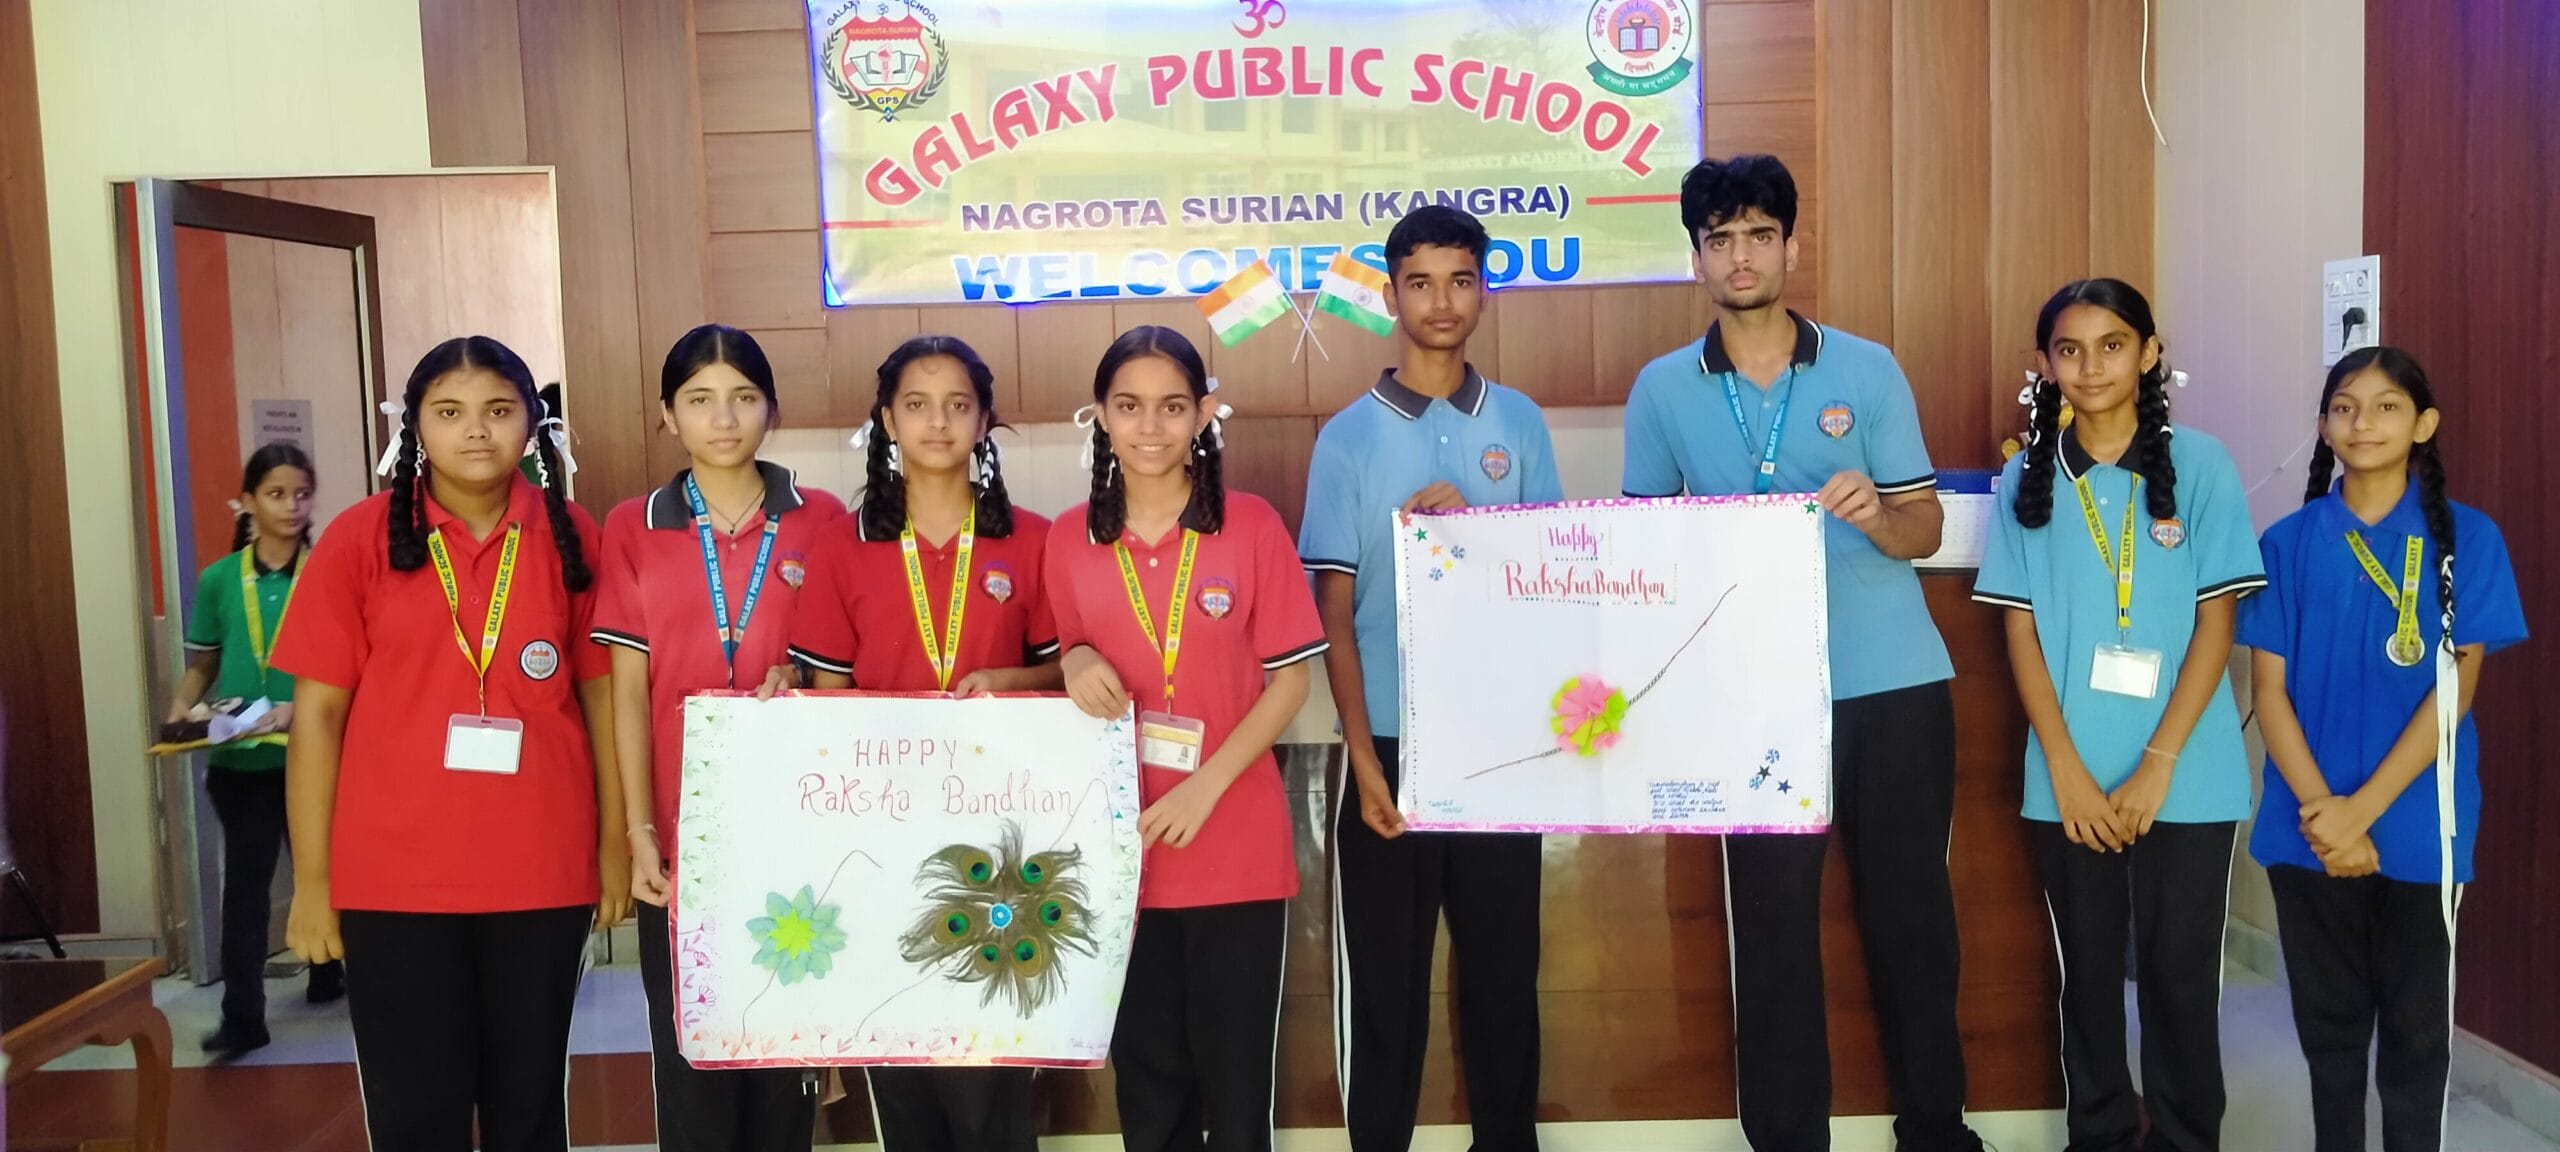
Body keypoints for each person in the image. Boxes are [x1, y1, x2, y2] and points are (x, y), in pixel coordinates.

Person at [1619, 153, 1982, 1152]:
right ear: (1696, 257)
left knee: (1911, 920)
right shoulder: (1662, 389)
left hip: (1890, 684)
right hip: (1751, 702)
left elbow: (1922, 529)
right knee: (1772, 933)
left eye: (1759, 235)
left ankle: (1936, 1131)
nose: (1740, 256)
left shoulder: (1866, 369)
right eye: (1720, 239)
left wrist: (1877, 514)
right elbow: (1646, 549)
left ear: (1791, 244)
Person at [274, 335, 631, 1152]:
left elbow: (603, 701)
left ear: (533, 424)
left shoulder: (571, 533)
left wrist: (611, 847)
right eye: (449, 412)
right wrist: (313, 883)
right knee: (416, 1115)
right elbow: (316, 719)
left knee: (528, 1112)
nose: (475, 430)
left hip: (541, 875)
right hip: (393, 882)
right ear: (415, 427)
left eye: (499, 411)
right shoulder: (359, 539)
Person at [1972, 279, 2264, 1152]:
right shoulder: (2023, 477)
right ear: (2045, 364)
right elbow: (2019, 632)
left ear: (2148, 353)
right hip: (2070, 778)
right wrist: (2063, 767)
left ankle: (2185, 1139)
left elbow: (2218, 622)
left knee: (2181, 980)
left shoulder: (2202, 465)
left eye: (2112, 346)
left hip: (2187, 774)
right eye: (2070, 350)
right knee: (2088, 980)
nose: (2091, 366)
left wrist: (2160, 762)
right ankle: (2099, 1135)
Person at [1298, 205, 1557, 1152]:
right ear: (1390, 295)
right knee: (1387, 990)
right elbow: (1333, 615)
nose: (1441, 301)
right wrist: (1365, 762)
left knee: (1503, 985)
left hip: (1500, 748)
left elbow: (1552, 580)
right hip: (1389, 749)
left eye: (1460, 280)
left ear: (1484, 290)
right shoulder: (1348, 439)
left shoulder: (1519, 424)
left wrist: (1471, 539)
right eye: (1420, 282)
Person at [1044, 326, 1327, 1152]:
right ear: (1100, 416)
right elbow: (1068, 649)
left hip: (1235, 845)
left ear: (1203, 415)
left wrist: (1205, 786)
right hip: (1121, 856)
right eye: (1128, 406)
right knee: (1149, 1090)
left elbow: (1292, 680)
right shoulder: (1069, 536)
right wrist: (1075, 657)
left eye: (1172, 407)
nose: (1150, 427)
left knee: (1237, 1096)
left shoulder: (1251, 525)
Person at [2240, 347, 2526, 1152]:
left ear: (2424, 425)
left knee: (2414, 1040)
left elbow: (2455, 691)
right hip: (2305, 828)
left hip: (2420, 829)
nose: (2362, 422)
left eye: (2387, 406)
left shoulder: (2467, 539)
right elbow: (2269, 694)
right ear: (2324, 425)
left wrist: (2357, 814)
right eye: (2345, 407)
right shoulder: (2287, 542)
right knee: (2329, 1035)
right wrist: (2324, 814)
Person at [784, 335, 1060, 1152]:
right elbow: (827, 700)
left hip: (1003, 846)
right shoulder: (842, 545)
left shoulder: (1034, 540)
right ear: (887, 420)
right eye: (916, 405)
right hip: (883, 846)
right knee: (902, 1072)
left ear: (984, 420)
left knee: (992, 1084)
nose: (937, 423)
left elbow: (1065, 678)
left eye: (957, 405)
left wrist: (1007, 681)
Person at [591, 324, 843, 1152]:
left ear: (773, 408)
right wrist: (638, 831)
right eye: (699, 399)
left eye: (743, 397)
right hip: (682, 839)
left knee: (782, 1066)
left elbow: (842, 675)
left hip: (796, 832)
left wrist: (803, 677)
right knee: (693, 1064)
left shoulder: (823, 519)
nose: (723, 418)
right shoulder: (632, 526)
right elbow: (628, 695)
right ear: (669, 415)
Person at [167, 442, 343, 1055]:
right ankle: (242, 1015)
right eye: (275, 494)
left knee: (330, 871)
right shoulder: (220, 580)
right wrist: (182, 709)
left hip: (315, 757)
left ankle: (329, 968)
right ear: (247, 502)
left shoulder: (329, 571)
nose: (291, 506)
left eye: (302, 494)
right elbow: (204, 664)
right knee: (246, 885)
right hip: (241, 762)